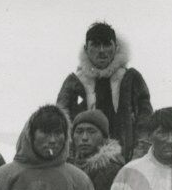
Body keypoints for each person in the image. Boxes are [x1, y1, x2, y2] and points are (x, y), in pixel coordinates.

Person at [55, 22, 153, 162]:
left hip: (126, 163)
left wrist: (138, 159)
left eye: (107, 44)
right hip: (82, 164)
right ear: (86, 48)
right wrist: (71, 160)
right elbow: (61, 124)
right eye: (95, 45)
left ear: (116, 47)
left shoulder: (131, 79)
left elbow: (146, 122)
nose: (101, 50)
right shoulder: (74, 82)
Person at [69, 108, 124, 190]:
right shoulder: (67, 166)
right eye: (79, 131)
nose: (84, 138)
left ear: (104, 138)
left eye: (91, 131)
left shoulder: (112, 170)